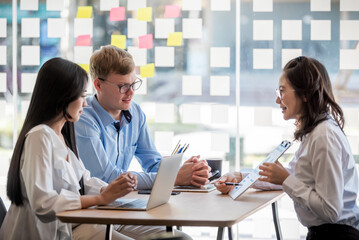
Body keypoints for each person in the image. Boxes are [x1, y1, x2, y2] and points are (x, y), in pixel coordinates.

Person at [215, 56, 359, 240]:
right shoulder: (315, 132)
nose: (277, 100)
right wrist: (240, 178)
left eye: (282, 91)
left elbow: (330, 210)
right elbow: (293, 175)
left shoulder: (324, 136)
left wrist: (287, 180)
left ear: (305, 94)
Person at [0, 57, 138, 240]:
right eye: (81, 96)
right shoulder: (39, 136)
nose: (85, 103)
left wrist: (112, 189)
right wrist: (100, 199)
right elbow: (43, 203)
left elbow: (84, 182)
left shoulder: (61, 137)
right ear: (61, 97)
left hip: (70, 228)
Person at [74, 45, 211, 190]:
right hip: (91, 206)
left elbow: (152, 164)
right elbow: (106, 177)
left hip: (117, 203)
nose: (131, 92)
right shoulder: (83, 117)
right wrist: (173, 178)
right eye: (123, 86)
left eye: (134, 84)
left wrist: (185, 171)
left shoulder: (135, 112)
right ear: (98, 85)